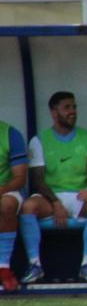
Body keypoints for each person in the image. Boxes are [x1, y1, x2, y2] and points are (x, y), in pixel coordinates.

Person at [17, 91, 87, 284]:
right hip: (50, 198)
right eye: (67, 107)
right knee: (28, 207)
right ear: (54, 112)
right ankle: (35, 264)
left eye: (74, 107)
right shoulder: (38, 140)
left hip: (79, 196)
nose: (72, 111)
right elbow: (38, 180)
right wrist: (55, 202)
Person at [0, 118, 29, 293]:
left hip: (7, 190)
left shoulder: (10, 134)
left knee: (7, 205)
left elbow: (20, 178)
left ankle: (3, 267)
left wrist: (2, 189)